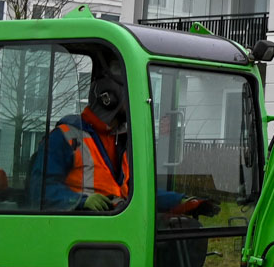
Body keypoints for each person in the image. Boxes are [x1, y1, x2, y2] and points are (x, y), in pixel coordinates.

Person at [38, 73, 214, 217]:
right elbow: (39, 191)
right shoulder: (65, 137)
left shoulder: (120, 141)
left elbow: (133, 193)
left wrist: (181, 202)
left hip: (115, 230)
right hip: (80, 234)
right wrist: (80, 202)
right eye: (129, 99)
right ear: (109, 100)